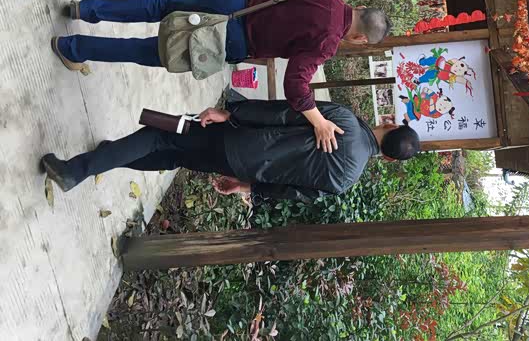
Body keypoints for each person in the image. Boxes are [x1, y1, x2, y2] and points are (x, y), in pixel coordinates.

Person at [52, 0, 391, 153]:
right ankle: (73, 47)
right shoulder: (327, 43)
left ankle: (87, 8)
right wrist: (319, 121)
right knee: (150, 52)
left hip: (234, 4)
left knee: (163, 7)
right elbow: (295, 86)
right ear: (360, 39)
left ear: (361, 8)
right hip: (231, 39)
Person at [40, 99, 421, 203]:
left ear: (389, 126)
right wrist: (245, 186)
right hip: (240, 166)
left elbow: (282, 113)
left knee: (159, 135)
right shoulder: (346, 180)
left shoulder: (343, 120)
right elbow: (291, 192)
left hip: (237, 139)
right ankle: (112, 154)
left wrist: (231, 112)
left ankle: (76, 170)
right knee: (175, 155)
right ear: (388, 159)